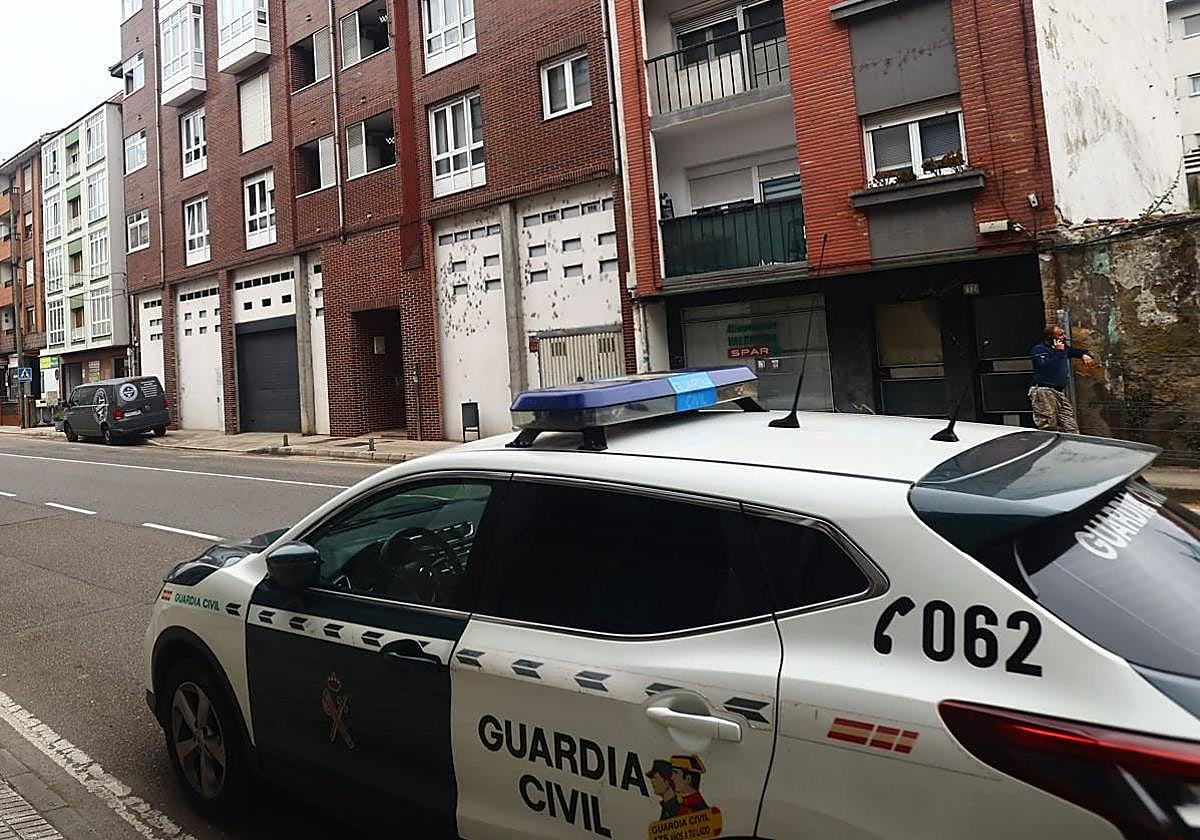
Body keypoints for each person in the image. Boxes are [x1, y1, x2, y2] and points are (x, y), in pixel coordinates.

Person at [1029, 325, 1097, 433]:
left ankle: (1073, 443)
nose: (1063, 337)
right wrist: (1058, 352)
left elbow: (1074, 351)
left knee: (1070, 424)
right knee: (1048, 424)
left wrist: (1084, 355)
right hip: (1044, 390)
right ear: (1051, 337)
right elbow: (1046, 366)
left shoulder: (1063, 348)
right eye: (1060, 335)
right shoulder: (1039, 350)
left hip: (1058, 391)